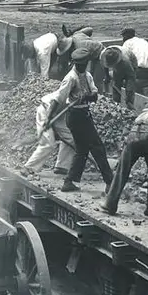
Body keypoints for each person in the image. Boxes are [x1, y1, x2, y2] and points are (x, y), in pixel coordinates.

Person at [60, 48, 115, 193]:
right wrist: (72, 97)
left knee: (82, 150)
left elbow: (95, 94)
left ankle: (69, 181)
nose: (82, 67)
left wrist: (87, 96)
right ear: (75, 63)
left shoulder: (87, 75)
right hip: (75, 116)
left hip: (84, 113)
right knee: (97, 147)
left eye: (84, 64)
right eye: (80, 65)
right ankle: (110, 182)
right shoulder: (70, 78)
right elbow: (61, 97)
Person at [21, 66, 78, 177]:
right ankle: (28, 167)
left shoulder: (81, 85)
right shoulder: (67, 87)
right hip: (46, 111)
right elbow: (54, 102)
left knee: (72, 139)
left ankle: (62, 166)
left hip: (59, 114)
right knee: (48, 143)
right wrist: (47, 120)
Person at [120, 28, 148, 94]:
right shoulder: (143, 41)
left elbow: (124, 60)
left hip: (138, 69)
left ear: (127, 36)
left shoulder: (127, 43)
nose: (123, 39)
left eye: (123, 36)